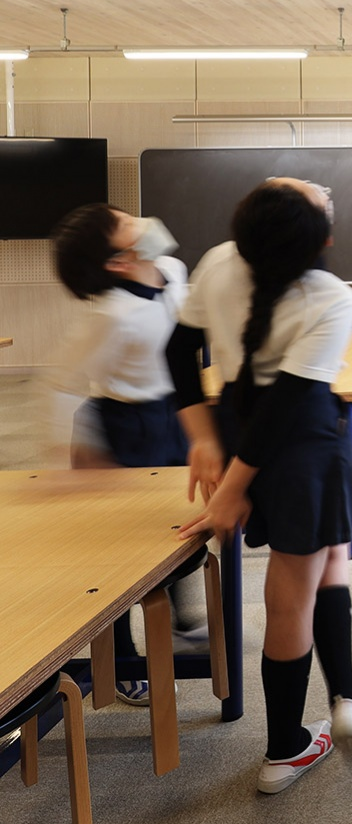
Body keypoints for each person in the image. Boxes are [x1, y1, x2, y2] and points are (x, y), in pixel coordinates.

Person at [168, 177, 352, 796]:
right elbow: (287, 407)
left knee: (326, 560)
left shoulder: (218, 261)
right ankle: (283, 750)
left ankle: (347, 695)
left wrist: (206, 438)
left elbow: (179, 352)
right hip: (299, 442)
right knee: (291, 594)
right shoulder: (333, 298)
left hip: (241, 425)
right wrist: (232, 488)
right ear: (325, 241)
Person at [51, 205, 200, 705]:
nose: (143, 220)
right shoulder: (111, 315)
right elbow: (61, 385)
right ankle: (121, 656)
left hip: (172, 413)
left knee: (175, 519)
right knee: (122, 549)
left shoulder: (174, 272)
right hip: (125, 426)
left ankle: (181, 614)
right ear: (118, 261)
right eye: (128, 223)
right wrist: (73, 460)